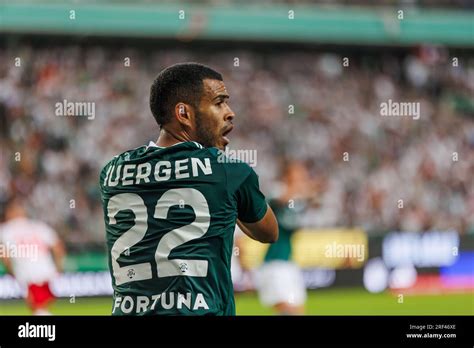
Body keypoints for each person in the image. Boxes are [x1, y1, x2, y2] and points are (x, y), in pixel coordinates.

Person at [100, 63, 278, 315]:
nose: (230, 113)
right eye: (219, 103)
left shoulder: (112, 172)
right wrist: (226, 193)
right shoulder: (228, 171)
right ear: (183, 112)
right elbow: (268, 232)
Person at [256, 161, 316, 315]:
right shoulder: (278, 190)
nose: (302, 177)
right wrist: (301, 190)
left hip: (289, 262)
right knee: (289, 310)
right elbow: (278, 200)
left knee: (299, 311)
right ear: (287, 175)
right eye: (298, 174)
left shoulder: (297, 200)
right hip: (274, 263)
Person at [0, 199, 65, 315]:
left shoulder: (6, 230)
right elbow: (58, 247)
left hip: (26, 273)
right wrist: (58, 267)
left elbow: (4, 254)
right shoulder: (38, 226)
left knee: (36, 307)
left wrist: (10, 270)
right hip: (46, 270)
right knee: (40, 306)